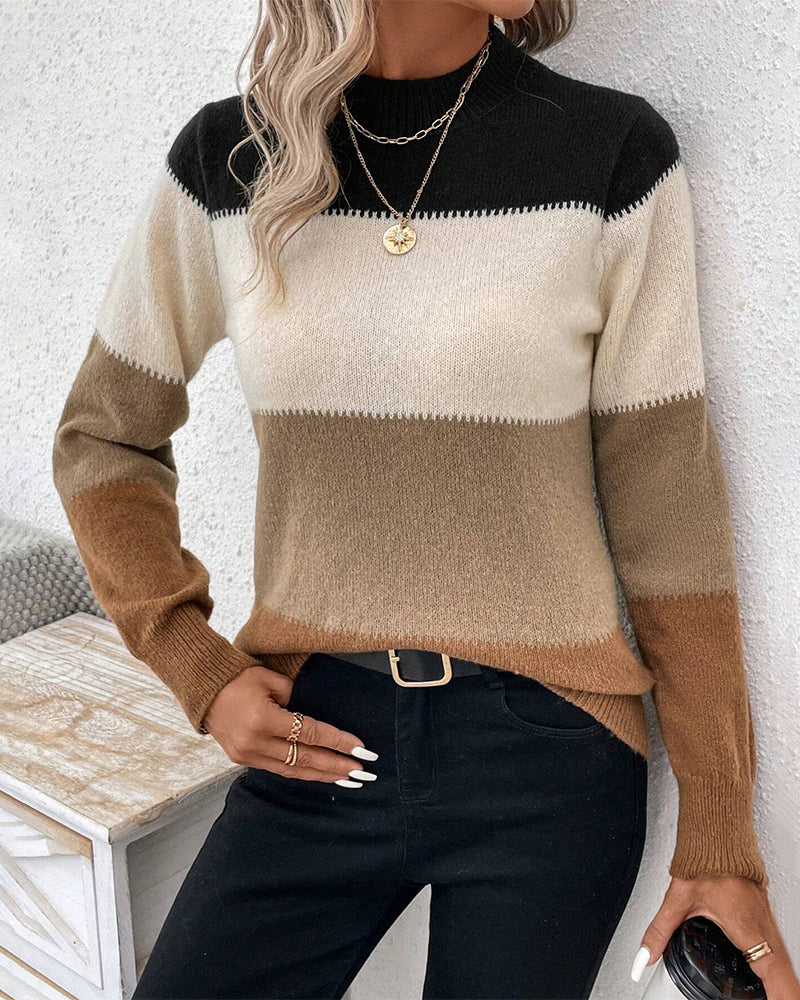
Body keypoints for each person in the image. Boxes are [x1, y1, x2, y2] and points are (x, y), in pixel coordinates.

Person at [52, 2, 800, 998]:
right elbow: (102, 437)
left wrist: (719, 833)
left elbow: (671, 521)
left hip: (549, 758)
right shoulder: (229, 163)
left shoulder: (609, 156)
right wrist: (197, 666)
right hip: (317, 734)